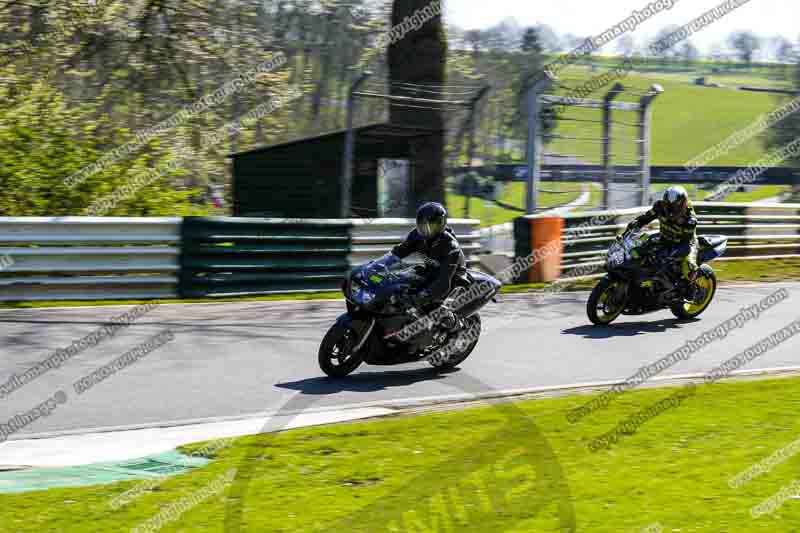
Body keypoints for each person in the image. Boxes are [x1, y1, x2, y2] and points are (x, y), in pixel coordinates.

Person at [389, 202, 468, 330]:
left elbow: (443, 283)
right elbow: (399, 251)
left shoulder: (451, 247)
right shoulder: (416, 235)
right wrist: (379, 264)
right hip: (431, 271)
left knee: (433, 308)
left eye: (430, 225)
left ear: (441, 224)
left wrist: (420, 298)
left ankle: (456, 324)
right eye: (422, 225)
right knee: (400, 282)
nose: (425, 229)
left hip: (452, 276)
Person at [625, 186, 699, 296]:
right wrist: (634, 225)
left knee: (689, 266)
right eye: (668, 206)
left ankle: (691, 289)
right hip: (664, 238)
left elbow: (684, 243)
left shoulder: (690, 219)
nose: (670, 211)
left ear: (682, 204)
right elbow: (646, 218)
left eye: (674, 207)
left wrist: (666, 257)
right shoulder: (659, 206)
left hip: (686, 244)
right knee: (638, 250)